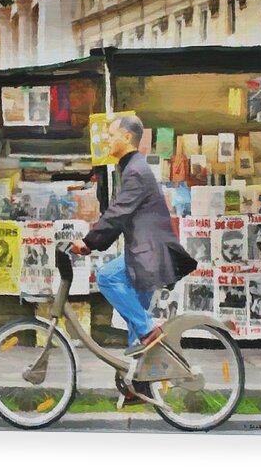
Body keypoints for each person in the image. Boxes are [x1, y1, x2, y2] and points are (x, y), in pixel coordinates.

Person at [71, 115, 197, 354]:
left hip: (150, 254)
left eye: (111, 135)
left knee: (107, 277)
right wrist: (95, 243)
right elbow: (122, 215)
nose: (106, 141)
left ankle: (148, 332)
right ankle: (137, 386)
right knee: (136, 336)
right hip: (148, 254)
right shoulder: (132, 167)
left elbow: (118, 212)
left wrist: (88, 241)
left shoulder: (136, 171)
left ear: (127, 137)